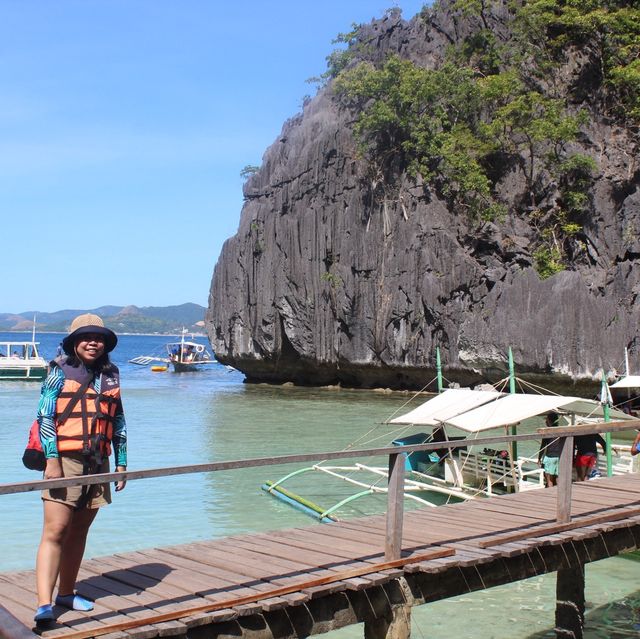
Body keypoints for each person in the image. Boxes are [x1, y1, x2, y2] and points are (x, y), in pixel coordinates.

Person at [33, 314, 127, 625]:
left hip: (99, 461)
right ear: (74, 341)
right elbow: (45, 415)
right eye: (86, 337)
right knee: (56, 530)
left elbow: (118, 419)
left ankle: (67, 592)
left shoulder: (110, 374)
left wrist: (122, 461)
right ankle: (44, 604)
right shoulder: (58, 370)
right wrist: (52, 459)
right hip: (66, 459)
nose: (93, 343)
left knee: (80, 531)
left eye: (99, 338)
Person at [538, 412, 563, 487]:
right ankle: (560, 494)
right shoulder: (561, 430)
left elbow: (543, 447)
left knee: (549, 480)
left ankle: (551, 495)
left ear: (549, 420)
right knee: (557, 478)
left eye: (546, 420)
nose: (545, 422)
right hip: (558, 457)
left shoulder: (547, 431)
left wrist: (539, 458)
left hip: (550, 457)